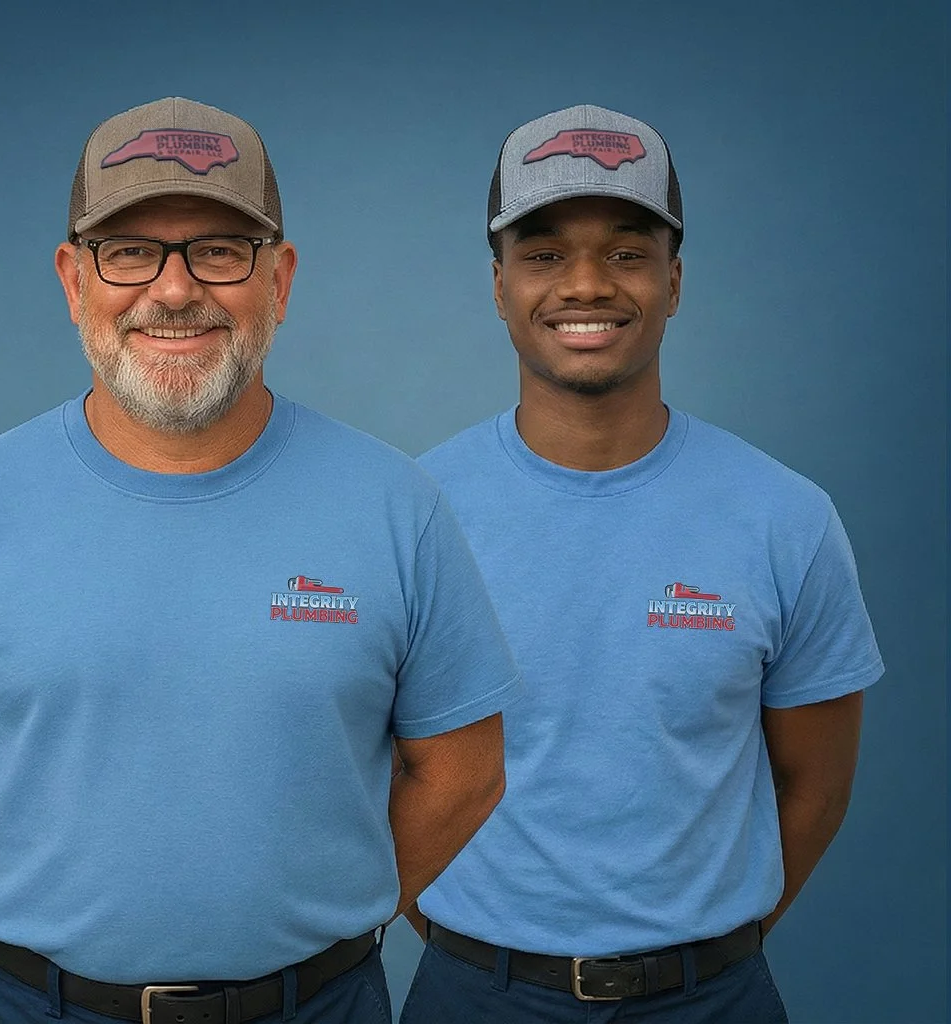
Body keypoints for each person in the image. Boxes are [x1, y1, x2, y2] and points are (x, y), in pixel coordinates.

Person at [0, 96, 521, 1024]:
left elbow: (464, 771)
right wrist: (35, 911)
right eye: (130, 251)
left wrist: (318, 921)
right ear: (74, 280)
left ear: (279, 281)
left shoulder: (396, 505)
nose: (173, 289)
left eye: (219, 250)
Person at [405, 104, 885, 1023]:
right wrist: (488, 952)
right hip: (474, 996)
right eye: (543, 254)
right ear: (498, 283)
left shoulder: (786, 517)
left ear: (674, 280)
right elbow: (379, 770)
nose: (586, 283)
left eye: (627, 252)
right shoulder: (413, 514)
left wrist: (701, 953)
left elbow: (814, 786)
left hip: (714, 1000)